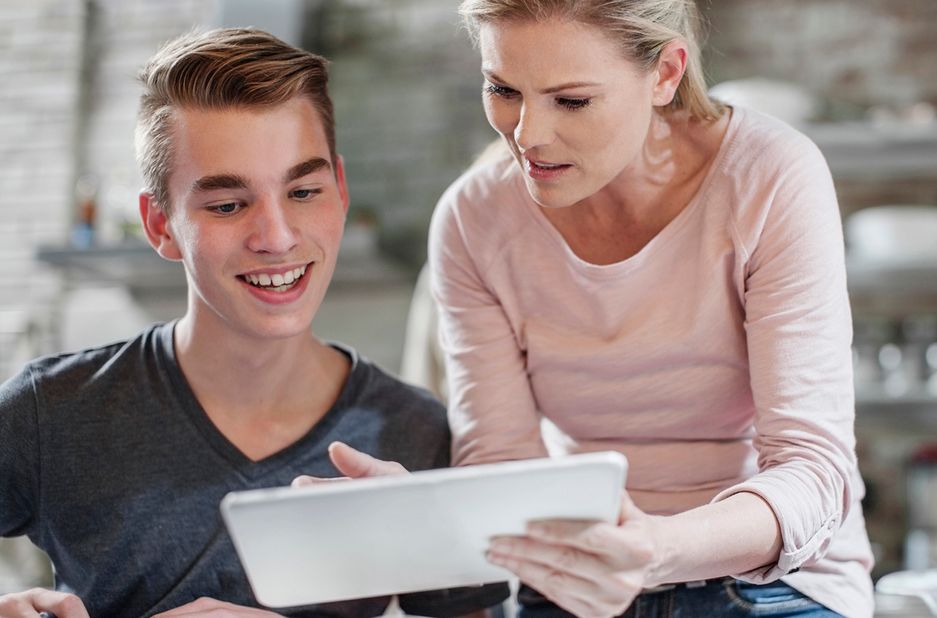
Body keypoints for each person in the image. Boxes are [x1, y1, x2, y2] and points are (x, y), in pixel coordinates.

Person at [338, 1, 876, 617]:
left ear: (666, 74)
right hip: (572, 584)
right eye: (502, 89)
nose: (528, 134)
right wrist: (436, 512)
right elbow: (503, 464)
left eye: (571, 101)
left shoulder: (769, 176)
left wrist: (656, 548)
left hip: (774, 585)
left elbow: (813, 473)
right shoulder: (474, 221)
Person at [0, 28, 507, 618]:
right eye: (226, 205)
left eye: (303, 191)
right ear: (160, 225)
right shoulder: (50, 412)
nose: (277, 237)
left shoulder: (416, 434)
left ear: (340, 191)